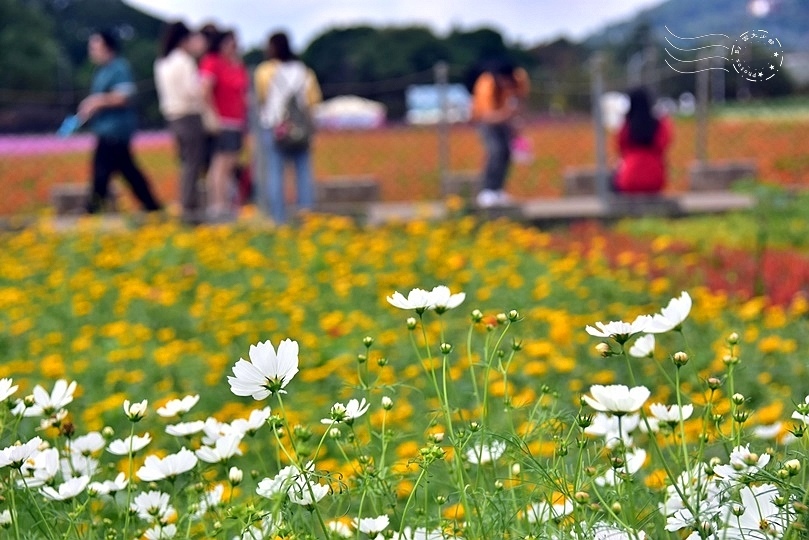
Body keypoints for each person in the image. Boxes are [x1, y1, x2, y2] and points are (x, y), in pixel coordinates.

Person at [78, 30, 162, 214]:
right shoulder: (102, 70)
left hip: (115, 129)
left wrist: (96, 102)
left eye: (95, 46)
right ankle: (152, 206)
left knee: (103, 171)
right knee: (127, 170)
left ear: (108, 48)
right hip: (106, 128)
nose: (91, 51)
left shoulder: (119, 68)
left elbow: (124, 96)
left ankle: (92, 209)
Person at [254, 31, 322, 224]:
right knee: (303, 173)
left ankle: (278, 218)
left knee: (275, 173)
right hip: (300, 128)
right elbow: (313, 101)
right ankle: (306, 216)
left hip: (275, 126)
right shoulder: (304, 71)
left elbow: (262, 97)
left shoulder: (265, 71)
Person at [154, 22, 207, 223]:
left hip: (172, 115)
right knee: (193, 163)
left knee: (185, 161)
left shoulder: (162, 61)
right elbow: (192, 91)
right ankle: (188, 206)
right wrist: (202, 86)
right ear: (184, 40)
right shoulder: (185, 61)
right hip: (189, 114)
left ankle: (186, 204)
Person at [199, 29, 249, 221]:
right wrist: (212, 116)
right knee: (221, 164)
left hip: (236, 121)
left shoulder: (236, 65)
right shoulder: (212, 62)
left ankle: (227, 203)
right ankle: (217, 205)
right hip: (222, 121)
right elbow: (205, 90)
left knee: (231, 164)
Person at [470, 60, 530, 208]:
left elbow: (521, 100)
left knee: (506, 153)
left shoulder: (519, 78)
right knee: (495, 151)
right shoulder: (486, 84)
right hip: (486, 121)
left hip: (505, 119)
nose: (505, 84)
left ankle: (498, 190)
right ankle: (487, 191)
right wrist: (508, 114)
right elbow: (487, 117)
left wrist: (516, 121)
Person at [613, 88, 673, 194]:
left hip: (629, 178)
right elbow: (664, 144)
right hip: (655, 177)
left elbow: (620, 147)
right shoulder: (660, 124)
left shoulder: (626, 125)